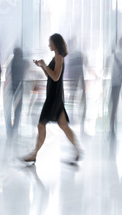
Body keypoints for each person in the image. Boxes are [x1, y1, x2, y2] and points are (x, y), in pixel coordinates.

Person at [21, 34, 81, 164]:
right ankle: (77, 151)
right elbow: (50, 75)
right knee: (64, 125)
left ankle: (35, 154)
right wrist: (42, 66)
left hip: (53, 97)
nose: (49, 45)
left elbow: (55, 77)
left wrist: (44, 65)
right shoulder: (57, 57)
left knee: (41, 124)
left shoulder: (59, 58)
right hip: (55, 95)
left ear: (55, 43)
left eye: (50, 43)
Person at [63, 38, 88, 135]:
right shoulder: (76, 54)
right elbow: (85, 63)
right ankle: (75, 121)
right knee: (75, 101)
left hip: (75, 80)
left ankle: (74, 121)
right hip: (77, 80)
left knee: (74, 101)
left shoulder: (70, 55)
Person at [4, 48, 29, 138]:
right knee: (17, 110)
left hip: (9, 88)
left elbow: (7, 76)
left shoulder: (10, 63)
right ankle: (15, 131)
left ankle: (9, 131)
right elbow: (26, 72)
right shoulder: (24, 63)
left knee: (8, 111)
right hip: (19, 89)